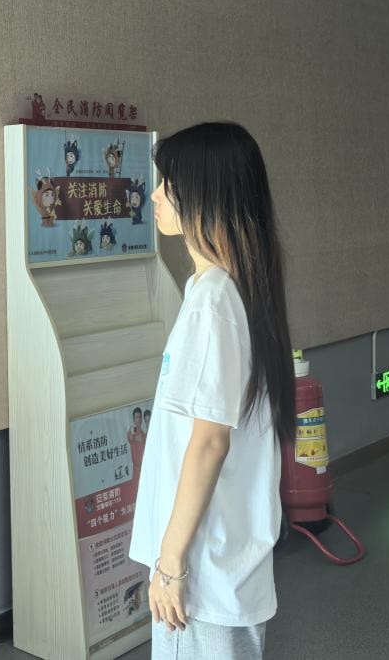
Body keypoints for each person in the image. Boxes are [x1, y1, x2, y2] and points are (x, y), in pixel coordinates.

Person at [128, 123, 296, 660]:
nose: (155, 195)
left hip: (201, 574)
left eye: (169, 185)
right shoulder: (225, 289)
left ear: (207, 196)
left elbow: (208, 442)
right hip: (221, 564)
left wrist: (170, 564)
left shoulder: (215, 301)